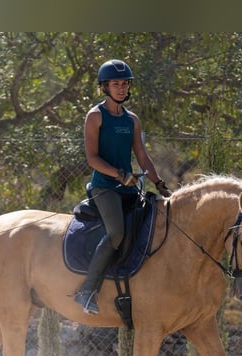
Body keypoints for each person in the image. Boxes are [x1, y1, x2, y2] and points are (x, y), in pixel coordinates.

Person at [73, 59, 172, 315]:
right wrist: (119, 174)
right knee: (116, 233)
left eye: (125, 83)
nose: (121, 88)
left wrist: (159, 183)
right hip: (104, 187)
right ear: (104, 87)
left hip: (129, 188)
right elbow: (92, 158)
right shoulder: (95, 116)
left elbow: (142, 156)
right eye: (115, 83)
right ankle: (86, 290)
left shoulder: (132, 120)